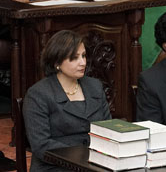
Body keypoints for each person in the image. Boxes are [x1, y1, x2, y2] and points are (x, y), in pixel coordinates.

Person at [23, 30, 111, 171]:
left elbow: (108, 130)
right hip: (56, 165)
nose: (82, 63)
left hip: (96, 164)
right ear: (57, 62)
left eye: (83, 56)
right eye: (74, 58)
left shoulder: (94, 86)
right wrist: (83, 158)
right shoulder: (38, 94)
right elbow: (41, 145)